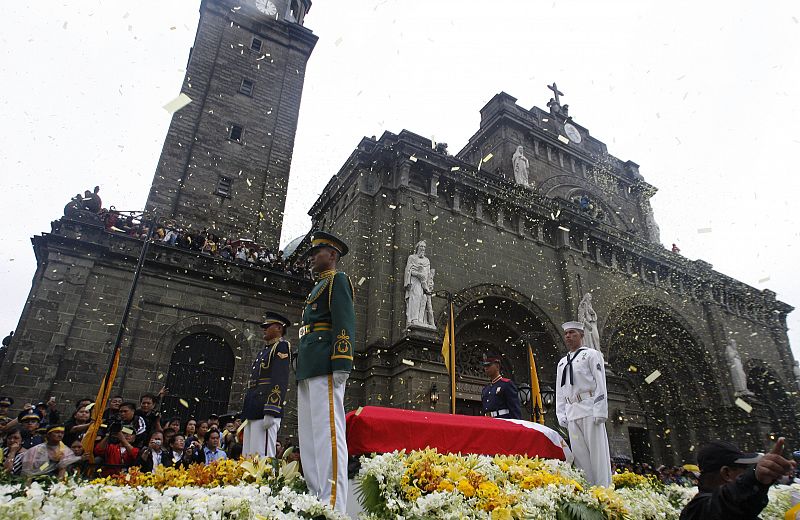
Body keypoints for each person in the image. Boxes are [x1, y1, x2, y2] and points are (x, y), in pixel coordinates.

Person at [297, 231, 355, 513]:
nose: (312, 256)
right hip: (309, 363)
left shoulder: (337, 281)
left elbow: (344, 320)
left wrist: (342, 360)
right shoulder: (317, 286)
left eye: (317, 251)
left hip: (325, 362)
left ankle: (332, 503)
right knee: (309, 435)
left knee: (329, 434)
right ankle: (314, 496)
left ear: (332, 255)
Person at [680, 438, 796, 520]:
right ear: (726, 473)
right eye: (745, 469)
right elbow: (723, 507)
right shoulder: (697, 511)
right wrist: (754, 479)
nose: (747, 472)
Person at [555, 321, 612, 487]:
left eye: (572, 333)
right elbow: (560, 390)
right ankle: (588, 488)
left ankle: (603, 489)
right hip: (572, 411)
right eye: (566, 334)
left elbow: (600, 383)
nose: (568, 336)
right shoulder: (562, 363)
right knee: (580, 455)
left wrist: (600, 410)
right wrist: (561, 413)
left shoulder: (592, 355)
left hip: (589, 408)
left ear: (581, 335)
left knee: (597, 453)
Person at [242, 311, 291, 458]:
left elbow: (279, 379)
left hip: (265, 406)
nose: (264, 328)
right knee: (249, 454)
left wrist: (271, 409)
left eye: (268, 326)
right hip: (254, 406)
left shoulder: (281, 347)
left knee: (261, 455)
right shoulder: (266, 350)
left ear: (279, 328)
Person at [404, 240, 433, 327]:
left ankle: (421, 320)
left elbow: (428, 273)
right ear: (417, 248)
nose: (423, 249)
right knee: (415, 298)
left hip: (423, 284)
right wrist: (418, 274)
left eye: (424, 247)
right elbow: (408, 271)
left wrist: (428, 284)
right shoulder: (412, 258)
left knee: (422, 299)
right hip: (415, 282)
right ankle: (413, 318)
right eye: (421, 247)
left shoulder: (427, 260)